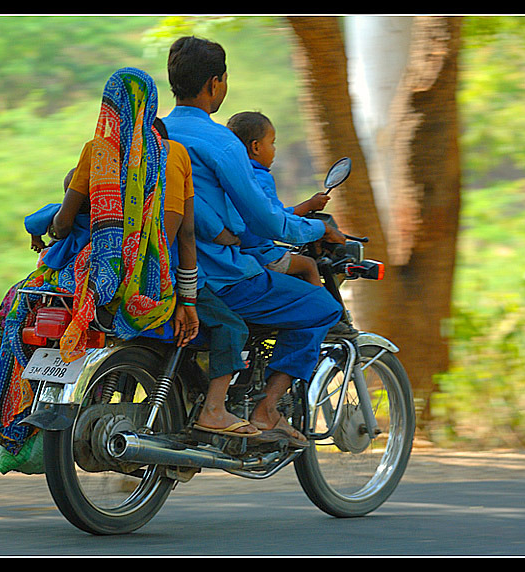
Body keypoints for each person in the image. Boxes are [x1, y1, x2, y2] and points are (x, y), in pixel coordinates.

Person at [163, 36, 346, 447]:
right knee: (321, 307)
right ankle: (267, 409)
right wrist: (318, 229)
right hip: (217, 275)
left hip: (158, 269)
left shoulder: (152, 133)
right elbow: (265, 221)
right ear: (215, 84)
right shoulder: (220, 142)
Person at [56, 109, 259, 436]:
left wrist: (58, 226)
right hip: (157, 284)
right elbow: (187, 235)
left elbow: (62, 224)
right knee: (231, 326)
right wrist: (187, 301)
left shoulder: (97, 151)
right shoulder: (173, 154)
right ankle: (214, 410)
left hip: (94, 280)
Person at [226, 110, 325, 287]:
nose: (274, 149)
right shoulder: (259, 177)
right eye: (272, 143)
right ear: (256, 147)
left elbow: (273, 215)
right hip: (261, 253)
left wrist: (309, 205)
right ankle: (322, 302)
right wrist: (319, 228)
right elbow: (277, 222)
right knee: (308, 265)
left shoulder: (232, 173)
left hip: (237, 252)